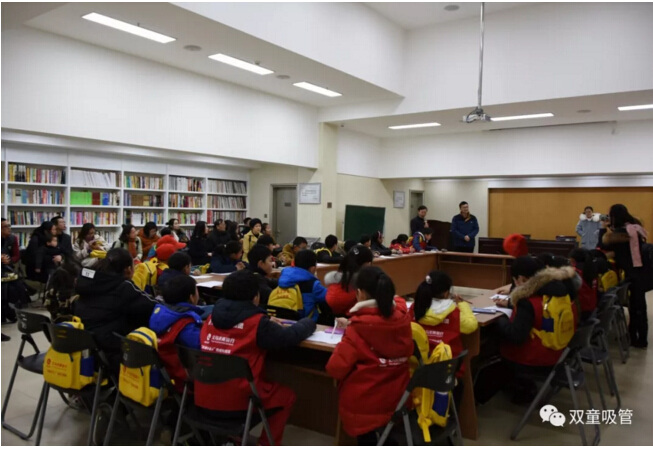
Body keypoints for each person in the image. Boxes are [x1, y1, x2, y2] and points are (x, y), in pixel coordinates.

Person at [195, 270, 316, 446]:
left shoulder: (210, 318)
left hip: (202, 396)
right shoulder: (258, 324)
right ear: (256, 297)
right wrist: (308, 322)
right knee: (286, 396)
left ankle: (234, 439)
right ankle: (265, 444)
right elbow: (290, 337)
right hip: (238, 402)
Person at [326, 266, 413, 445]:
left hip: (366, 404)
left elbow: (335, 368)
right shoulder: (403, 320)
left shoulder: (358, 328)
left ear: (360, 294)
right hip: (398, 398)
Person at [494, 257, 578, 403]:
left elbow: (516, 336)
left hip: (536, 360)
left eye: (515, 281)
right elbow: (540, 313)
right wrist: (510, 305)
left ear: (521, 279)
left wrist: (500, 319)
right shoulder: (558, 291)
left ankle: (521, 389)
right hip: (560, 353)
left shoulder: (527, 301)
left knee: (495, 346)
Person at [74, 248, 157, 375]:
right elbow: (153, 307)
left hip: (87, 352)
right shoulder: (124, 287)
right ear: (128, 270)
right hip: (113, 354)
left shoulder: (87, 282)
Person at [411, 271, 478, 405]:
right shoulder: (452, 311)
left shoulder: (415, 308)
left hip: (419, 370)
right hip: (446, 372)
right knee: (460, 384)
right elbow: (471, 325)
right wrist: (462, 304)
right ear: (447, 293)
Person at [601, 204, 650, 348]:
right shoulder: (634, 229)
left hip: (633, 274)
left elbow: (602, 246)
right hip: (640, 272)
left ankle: (638, 340)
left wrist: (603, 229)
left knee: (636, 308)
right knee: (638, 307)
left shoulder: (619, 235)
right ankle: (637, 336)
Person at [149, 274, 204, 393]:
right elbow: (202, 347)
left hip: (165, 373)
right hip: (184, 377)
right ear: (192, 297)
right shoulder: (185, 323)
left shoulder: (158, 313)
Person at [276, 249, 328, 321]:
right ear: (313, 269)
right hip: (306, 324)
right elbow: (330, 297)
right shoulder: (313, 285)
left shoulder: (282, 279)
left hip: (281, 321)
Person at [325, 245, 374, 315]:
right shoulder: (362, 284)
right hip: (353, 318)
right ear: (366, 264)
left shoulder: (333, 281)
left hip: (333, 318)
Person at [569, 248, 599, 321]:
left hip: (581, 312)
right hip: (592, 309)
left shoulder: (575, 272)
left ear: (573, 260)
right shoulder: (592, 269)